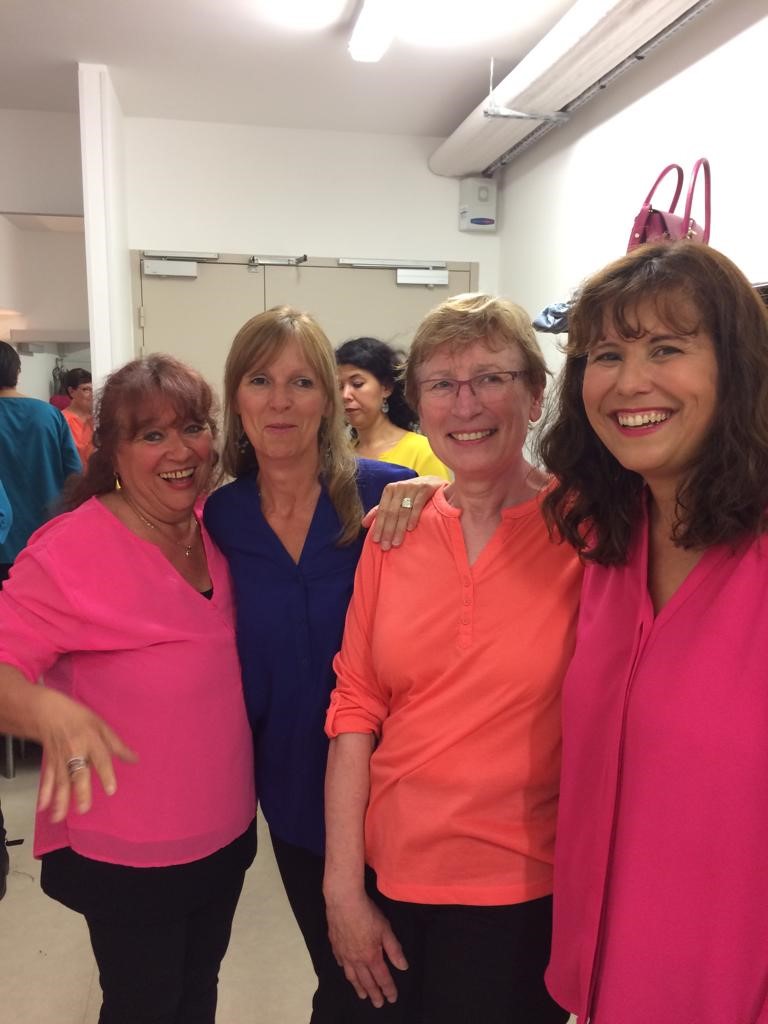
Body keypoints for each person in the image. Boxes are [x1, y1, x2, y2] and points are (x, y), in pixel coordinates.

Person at [324, 293, 583, 1023]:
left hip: (524, 893)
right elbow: (355, 708)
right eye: (442, 383)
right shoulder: (392, 532)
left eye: (491, 378)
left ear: (535, 396)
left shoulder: (589, 531)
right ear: (419, 403)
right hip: (390, 879)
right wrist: (342, 888)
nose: (465, 403)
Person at [538, 241, 768, 1024]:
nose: (629, 382)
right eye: (606, 355)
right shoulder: (604, 536)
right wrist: (407, 490)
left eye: (666, 348)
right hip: (610, 979)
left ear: (736, 368)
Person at [0, 354, 256, 1024]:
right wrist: (45, 709)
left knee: (198, 990)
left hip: (225, 827)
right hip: (128, 848)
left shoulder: (219, 527)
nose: (180, 451)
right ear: (112, 449)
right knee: (145, 1004)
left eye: (193, 428)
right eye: (152, 435)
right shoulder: (70, 551)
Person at [203, 307, 437, 1023]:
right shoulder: (220, 518)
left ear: (330, 398)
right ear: (236, 396)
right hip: (295, 793)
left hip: (400, 788)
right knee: (349, 975)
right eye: (261, 380)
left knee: (408, 985)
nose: (280, 401)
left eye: (302, 381)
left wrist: (439, 493)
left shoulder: (388, 494)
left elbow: (485, 524)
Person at [0, 340, 81, 582]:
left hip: (4, 544)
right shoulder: (49, 414)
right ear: (17, 371)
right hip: (47, 533)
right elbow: (75, 475)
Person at [336, 336, 450, 478]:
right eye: (339, 386)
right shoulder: (340, 457)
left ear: (386, 387)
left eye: (357, 384)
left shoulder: (422, 451)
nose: (345, 395)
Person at [62, 367, 95, 467]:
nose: (92, 395)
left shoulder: (97, 418)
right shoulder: (63, 420)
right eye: (86, 389)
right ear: (71, 391)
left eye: (93, 389)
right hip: (75, 475)